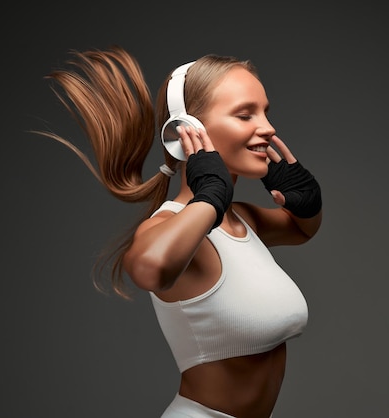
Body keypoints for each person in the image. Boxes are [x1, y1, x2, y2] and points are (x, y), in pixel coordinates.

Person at [35, 45, 322, 418]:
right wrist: (209, 198)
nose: (267, 127)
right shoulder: (169, 224)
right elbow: (149, 268)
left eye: (265, 112)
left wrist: (307, 203)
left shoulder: (240, 220)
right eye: (244, 114)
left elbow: (301, 231)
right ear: (187, 131)